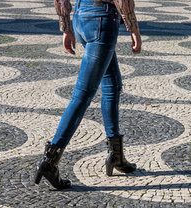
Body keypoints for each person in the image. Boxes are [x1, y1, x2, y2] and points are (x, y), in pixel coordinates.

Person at [35, 0, 142, 189]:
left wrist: (66, 25)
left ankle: (116, 155)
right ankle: (50, 161)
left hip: (81, 17)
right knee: (82, 95)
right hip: (102, 19)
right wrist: (133, 27)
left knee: (112, 84)